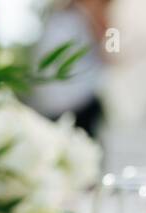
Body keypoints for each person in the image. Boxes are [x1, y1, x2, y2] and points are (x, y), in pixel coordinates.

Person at [30, 0, 113, 139]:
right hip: (52, 108)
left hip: (81, 105)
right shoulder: (58, 16)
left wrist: (99, 22)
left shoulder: (93, 19)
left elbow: (110, 53)